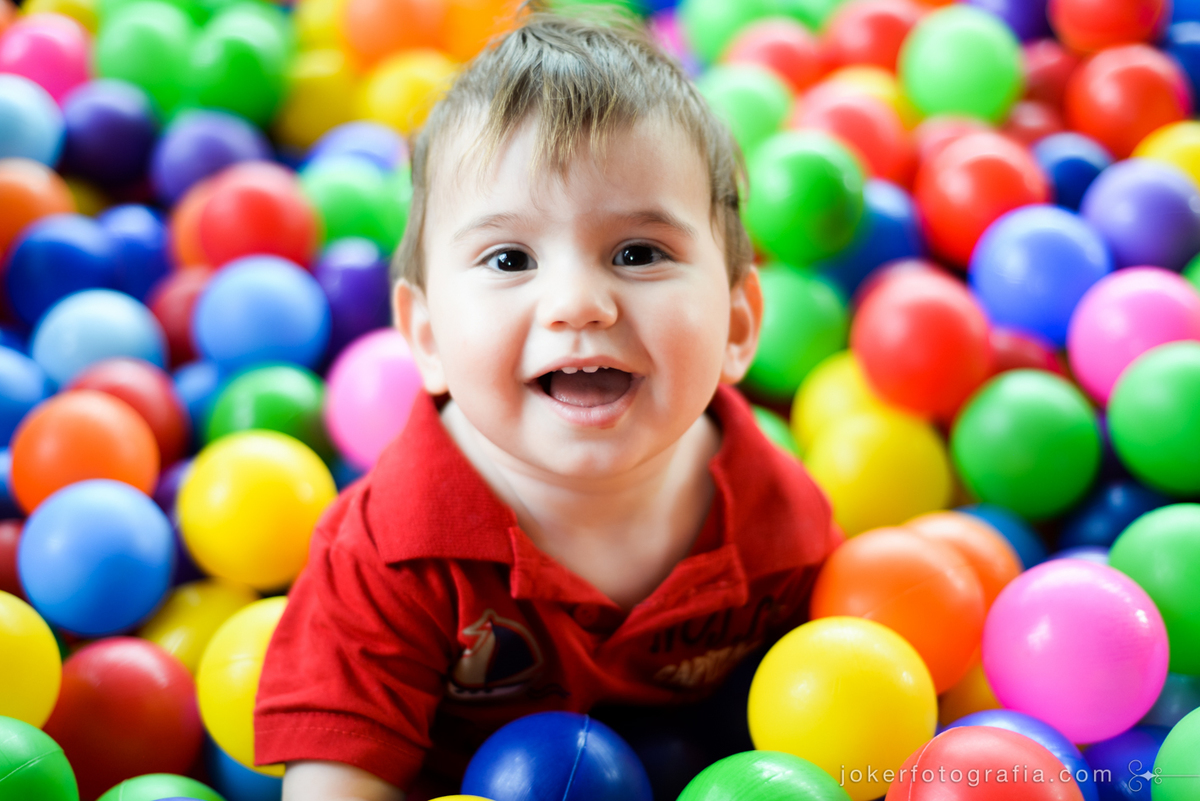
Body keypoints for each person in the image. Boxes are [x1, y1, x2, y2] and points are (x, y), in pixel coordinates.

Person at [254, 9, 841, 801]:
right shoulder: (386, 557)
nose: (577, 303)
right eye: (510, 257)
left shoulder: (779, 518)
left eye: (638, 252)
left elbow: (839, 709)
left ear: (737, 326)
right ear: (426, 337)